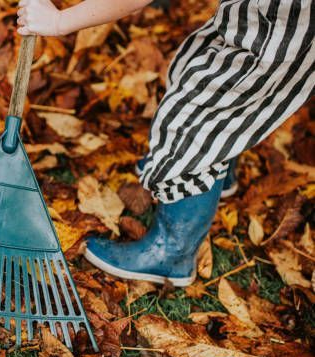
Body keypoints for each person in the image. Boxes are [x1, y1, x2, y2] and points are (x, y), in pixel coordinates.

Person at [17, 0, 314, 286]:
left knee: (193, 119)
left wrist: (58, 21)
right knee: (200, 68)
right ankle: (217, 174)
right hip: (263, 14)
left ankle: (171, 253)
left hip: (287, 29)